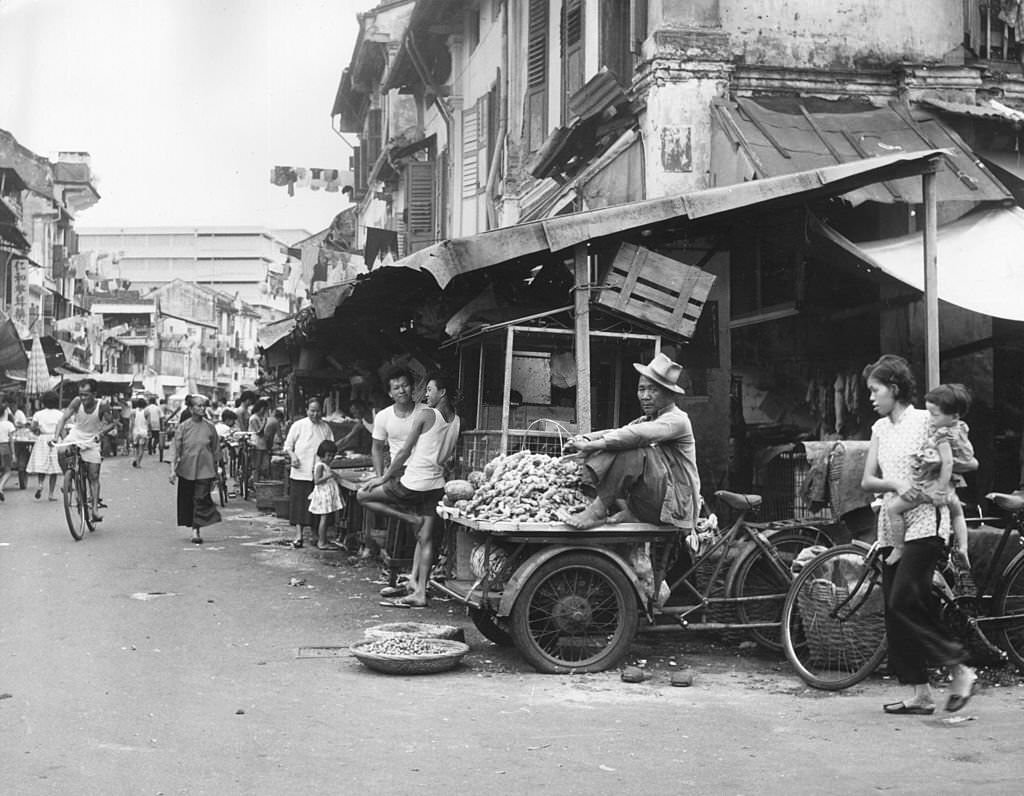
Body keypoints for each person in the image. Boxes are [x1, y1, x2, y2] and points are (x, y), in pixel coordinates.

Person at [860, 354, 978, 715]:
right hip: (892, 525)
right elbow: (868, 480)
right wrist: (896, 484)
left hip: (927, 520)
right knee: (897, 610)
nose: (871, 397)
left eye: (876, 390)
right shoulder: (879, 430)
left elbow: (968, 460)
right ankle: (920, 693)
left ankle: (960, 667)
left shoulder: (928, 419)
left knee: (904, 601)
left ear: (894, 389)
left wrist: (937, 468)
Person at [562, 353, 700, 532]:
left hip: (675, 507)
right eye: (641, 389)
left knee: (632, 449)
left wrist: (590, 446)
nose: (645, 396)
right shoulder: (649, 419)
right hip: (653, 502)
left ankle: (598, 510)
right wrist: (585, 438)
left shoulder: (678, 420)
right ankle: (629, 511)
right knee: (616, 442)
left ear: (670, 395)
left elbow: (636, 435)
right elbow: (618, 432)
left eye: (653, 390)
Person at [358, 367, 451, 607]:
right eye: (396, 387)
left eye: (405, 385)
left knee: (422, 536)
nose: (402, 390)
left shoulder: (425, 412)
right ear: (390, 393)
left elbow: (428, 447)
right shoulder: (384, 417)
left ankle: (416, 584)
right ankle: (411, 583)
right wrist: (381, 476)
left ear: (413, 388)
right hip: (400, 475)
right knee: (408, 534)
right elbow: (377, 448)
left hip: (418, 476)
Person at [886, 383, 974, 567]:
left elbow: (948, 463)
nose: (930, 419)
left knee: (893, 509)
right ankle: (963, 547)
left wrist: (940, 489)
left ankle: (898, 547)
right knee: (958, 513)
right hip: (950, 487)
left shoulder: (943, 435)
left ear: (954, 416)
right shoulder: (960, 428)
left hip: (933, 487)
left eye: (935, 415)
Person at [54, 379, 117, 522]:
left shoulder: (103, 405)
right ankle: (67, 479)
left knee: (93, 476)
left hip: (92, 439)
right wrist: (55, 437)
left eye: (86, 395)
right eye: (81, 394)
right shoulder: (77, 402)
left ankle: (94, 509)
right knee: (61, 450)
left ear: (94, 394)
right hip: (76, 435)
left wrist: (101, 433)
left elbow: (112, 423)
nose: (83, 398)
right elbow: (63, 419)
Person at [169, 394, 222, 544]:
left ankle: (196, 531)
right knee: (188, 500)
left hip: (205, 470)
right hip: (187, 470)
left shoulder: (210, 427)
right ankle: (193, 526)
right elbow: (175, 449)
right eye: (198, 406)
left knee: (200, 499)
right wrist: (172, 471)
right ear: (191, 409)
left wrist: (217, 471)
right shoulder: (183, 427)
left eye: (203, 405)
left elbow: (216, 450)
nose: (202, 408)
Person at [282, 397, 332, 548]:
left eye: (318, 411)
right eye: (312, 411)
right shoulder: (298, 425)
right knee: (299, 504)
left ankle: (316, 534)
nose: (315, 414)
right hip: (300, 471)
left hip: (318, 473)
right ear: (307, 410)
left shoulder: (325, 428)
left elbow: (330, 447)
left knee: (317, 504)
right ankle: (299, 535)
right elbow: (288, 446)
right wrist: (293, 456)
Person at [26, 391, 64, 501]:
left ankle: (40, 484)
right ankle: (51, 494)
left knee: (41, 465)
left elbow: (33, 427)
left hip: (42, 439)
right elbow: (62, 429)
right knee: (54, 468)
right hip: (55, 439)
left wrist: (38, 430)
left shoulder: (38, 414)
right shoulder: (60, 414)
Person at [308, 439, 345, 550]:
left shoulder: (325, 465)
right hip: (323, 495)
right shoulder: (320, 465)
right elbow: (317, 481)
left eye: (332, 456)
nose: (330, 458)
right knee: (324, 519)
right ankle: (321, 542)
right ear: (322, 454)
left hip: (327, 494)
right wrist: (329, 476)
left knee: (326, 518)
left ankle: (323, 539)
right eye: (328, 455)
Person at [248, 398, 270, 480]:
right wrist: (264, 422)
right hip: (256, 443)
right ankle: (255, 481)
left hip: (262, 443)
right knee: (257, 465)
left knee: (262, 465)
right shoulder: (254, 418)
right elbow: (258, 431)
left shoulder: (259, 417)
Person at [130, 397, 150, 468]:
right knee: (142, 448)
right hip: (143, 432)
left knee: (136, 449)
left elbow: (132, 423)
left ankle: (136, 461)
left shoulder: (133, 412)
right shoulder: (147, 412)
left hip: (135, 431)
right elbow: (148, 423)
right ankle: (138, 463)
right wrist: (149, 431)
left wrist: (130, 432)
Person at [0, 408, 14, 500]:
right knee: (8, 471)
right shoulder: (9, 424)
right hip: (4, 447)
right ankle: (0, 487)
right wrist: (13, 454)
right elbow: (11, 441)